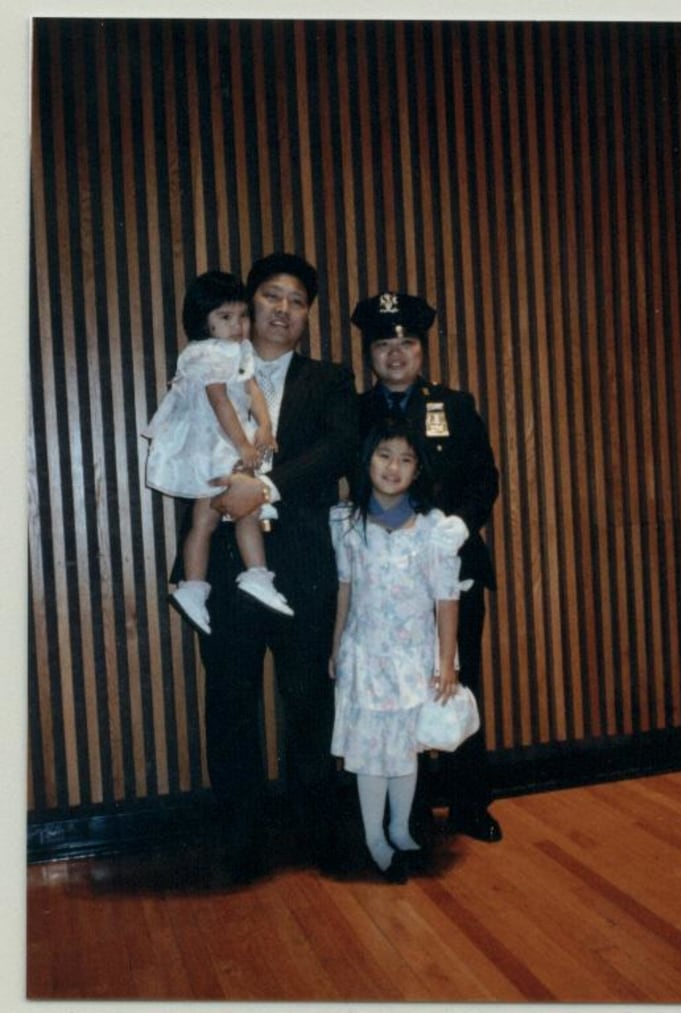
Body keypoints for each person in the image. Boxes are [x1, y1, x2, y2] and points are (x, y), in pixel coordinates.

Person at [189, 253, 359, 880]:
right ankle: (239, 841)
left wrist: (261, 489)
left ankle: (319, 832)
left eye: (296, 300)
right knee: (231, 700)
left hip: (304, 564)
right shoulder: (209, 366)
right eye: (270, 296)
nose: (283, 309)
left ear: (308, 314)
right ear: (249, 303)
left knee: (308, 698)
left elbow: (341, 448)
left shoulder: (331, 379)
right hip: (230, 565)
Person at [352, 290, 503, 843]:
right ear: (369, 352)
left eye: (407, 342)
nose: (396, 353)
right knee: (392, 694)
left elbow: (484, 477)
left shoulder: (454, 406)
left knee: (456, 683)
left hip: (450, 573)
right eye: (384, 344)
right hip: (385, 585)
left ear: (422, 349)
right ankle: (408, 813)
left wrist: (463, 522)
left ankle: (468, 805)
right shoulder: (357, 410)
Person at [329, 417, 469, 883]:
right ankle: (373, 836)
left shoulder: (434, 529)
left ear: (417, 470)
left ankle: (399, 826)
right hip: (365, 655)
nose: (393, 467)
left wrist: (445, 662)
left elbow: (446, 598)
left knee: (405, 748)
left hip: (413, 656)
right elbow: (345, 591)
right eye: (384, 455)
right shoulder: (346, 523)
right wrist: (336, 649)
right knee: (371, 750)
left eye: (406, 459)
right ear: (367, 460)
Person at [143, 270, 292, 634]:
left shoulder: (239, 351)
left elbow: (252, 390)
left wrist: (266, 427)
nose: (238, 325)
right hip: (210, 445)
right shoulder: (204, 353)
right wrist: (243, 442)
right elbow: (219, 399)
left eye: (241, 316)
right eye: (225, 318)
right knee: (228, 514)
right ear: (204, 322)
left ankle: (212, 584)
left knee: (218, 516)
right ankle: (242, 577)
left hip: (225, 444)